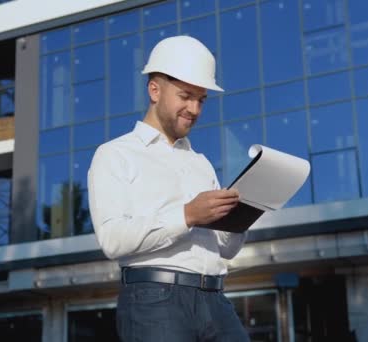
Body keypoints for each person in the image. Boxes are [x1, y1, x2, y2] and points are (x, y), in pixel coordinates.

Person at [88, 35, 250, 341]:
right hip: (155, 300)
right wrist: (188, 215)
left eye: (201, 99)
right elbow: (112, 240)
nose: (195, 108)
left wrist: (242, 218)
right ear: (154, 90)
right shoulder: (115, 154)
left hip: (216, 299)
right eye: (186, 96)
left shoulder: (200, 163)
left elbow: (226, 249)